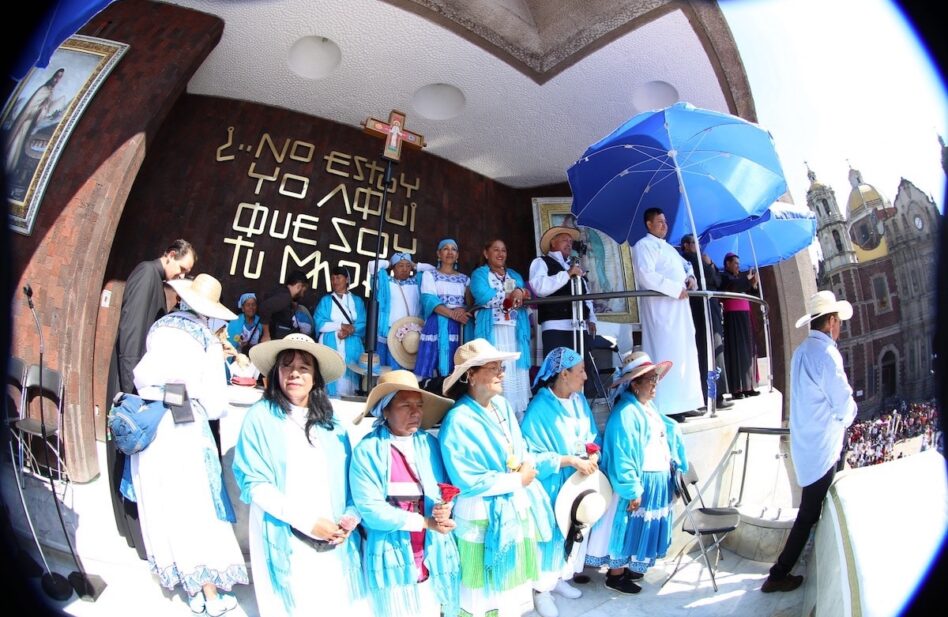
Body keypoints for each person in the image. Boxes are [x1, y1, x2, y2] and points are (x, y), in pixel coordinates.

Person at [129, 273, 248, 614]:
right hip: (184, 423)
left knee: (162, 500)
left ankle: (185, 582)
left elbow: (143, 376)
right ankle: (210, 593)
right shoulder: (206, 341)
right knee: (195, 504)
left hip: (151, 419)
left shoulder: (160, 327)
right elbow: (214, 401)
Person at [233, 333, 367, 615]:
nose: (294, 373)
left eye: (304, 367)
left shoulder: (332, 424)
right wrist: (307, 522)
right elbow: (256, 484)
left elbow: (352, 479)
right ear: (276, 372)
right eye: (286, 365)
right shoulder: (260, 418)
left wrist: (350, 519)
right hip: (287, 533)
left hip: (333, 536)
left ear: (316, 377)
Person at [437, 339, 564, 617]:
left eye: (501, 367)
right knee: (481, 593)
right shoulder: (458, 420)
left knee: (508, 592)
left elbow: (521, 448)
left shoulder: (502, 407)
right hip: (481, 512)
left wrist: (526, 464)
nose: (501, 373)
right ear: (471, 375)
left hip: (511, 508)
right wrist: (516, 480)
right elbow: (467, 480)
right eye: (493, 367)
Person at [105, 239, 196, 559]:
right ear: (169, 255)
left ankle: (133, 528)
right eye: (182, 269)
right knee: (127, 450)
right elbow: (132, 335)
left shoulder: (156, 281)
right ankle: (129, 529)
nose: (182, 276)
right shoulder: (146, 274)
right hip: (133, 381)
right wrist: (131, 390)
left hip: (140, 379)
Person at [762, 291, 857, 593]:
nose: (840, 326)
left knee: (809, 511)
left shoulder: (802, 351)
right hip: (823, 448)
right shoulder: (827, 355)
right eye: (838, 321)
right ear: (831, 322)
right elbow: (844, 407)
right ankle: (778, 574)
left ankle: (782, 570)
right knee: (808, 514)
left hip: (807, 444)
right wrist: (848, 415)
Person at [349, 370, 460, 617]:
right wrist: (426, 522)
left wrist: (445, 508)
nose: (416, 412)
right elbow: (371, 510)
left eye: (419, 405)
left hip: (432, 549)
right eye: (405, 405)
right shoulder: (368, 451)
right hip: (391, 551)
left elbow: (444, 488)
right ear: (385, 410)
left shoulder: (429, 444)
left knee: (430, 607)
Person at [585, 351, 688, 595]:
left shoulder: (646, 407)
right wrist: (632, 489)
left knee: (639, 527)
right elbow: (622, 455)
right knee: (627, 526)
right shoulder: (626, 414)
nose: (655, 385)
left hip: (655, 478)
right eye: (650, 380)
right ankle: (616, 575)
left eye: (655, 379)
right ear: (635, 384)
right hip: (640, 481)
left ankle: (631, 567)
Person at [520, 347, 601, 597]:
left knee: (573, 531)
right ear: (564, 374)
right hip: (553, 484)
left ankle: (560, 577)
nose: (585, 377)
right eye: (581, 371)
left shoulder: (578, 402)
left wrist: (593, 455)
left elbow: (592, 436)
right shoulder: (539, 409)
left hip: (578, 482)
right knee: (551, 535)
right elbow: (529, 456)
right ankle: (541, 590)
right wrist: (569, 461)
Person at [630, 208, 704, 420]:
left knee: (685, 355)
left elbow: (686, 266)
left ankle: (687, 401)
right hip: (661, 311)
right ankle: (668, 407)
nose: (664, 225)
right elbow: (646, 275)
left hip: (680, 309)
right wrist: (674, 288)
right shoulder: (643, 246)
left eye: (665, 221)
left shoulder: (670, 248)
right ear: (648, 224)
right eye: (660, 221)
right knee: (665, 354)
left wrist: (690, 278)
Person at [528, 226, 599, 398]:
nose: (569, 243)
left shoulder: (574, 266)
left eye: (570, 241)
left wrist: (592, 318)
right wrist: (567, 274)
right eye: (564, 240)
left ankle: (580, 405)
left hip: (579, 327)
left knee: (581, 370)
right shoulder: (541, 262)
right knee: (557, 372)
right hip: (556, 326)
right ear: (553, 242)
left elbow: (586, 295)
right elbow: (540, 287)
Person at [469, 238, 532, 418]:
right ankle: (495, 413)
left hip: (514, 331)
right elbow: (483, 296)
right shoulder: (480, 274)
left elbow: (523, 293)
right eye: (495, 250)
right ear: (486, 253)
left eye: (503, 250)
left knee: (514, 369)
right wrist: (513, 293)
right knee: (495, 368)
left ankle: (517, 417)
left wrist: (520, 291)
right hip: (492, 331)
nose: (500, 254)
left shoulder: (514, 274)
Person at [679, 235, 732, 410]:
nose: (698, 246)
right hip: (699, 309)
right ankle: (707, 395)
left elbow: (717, 280)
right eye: (694, 243)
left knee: (715, 351)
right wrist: (708, 265)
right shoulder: (687, 259)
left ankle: (715, 394)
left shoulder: (701, 259)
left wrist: (709, 264)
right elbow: (707, 277)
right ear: (686, 245)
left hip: (711, 307)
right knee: (704, 350)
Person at [415, 239, 471, 380]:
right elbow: (429, 300)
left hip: (460, 328)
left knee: (458, 363)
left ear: (457, 255)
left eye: (454, 249)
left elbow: (470, 303)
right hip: (437, 326)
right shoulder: (430, 275)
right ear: (438, 254)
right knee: (433, 363)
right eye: (445, 249)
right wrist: (453, 314)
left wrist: (463, 310)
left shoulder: (465, 279)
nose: (450, 252)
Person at [315, 265, 367, 397]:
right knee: (330, 377)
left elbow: (363, 323)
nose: (335, 281)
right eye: (332, 278)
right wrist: (341, 326)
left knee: (349, 380)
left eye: (338, 277)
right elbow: (319, 323)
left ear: (347, 280)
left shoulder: (357, 301)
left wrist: (351, 330)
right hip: (330, 343)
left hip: (352, 344)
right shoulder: (326, 300)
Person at [5, 67, 64, 174]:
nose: (58, 78)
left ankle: (11, 166)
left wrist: (46, 110)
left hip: (33, 120)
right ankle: (9, 164)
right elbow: (33, 106)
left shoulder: (50, 91)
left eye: (60, 77)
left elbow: (43, 108)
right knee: (18, 140)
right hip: (27, 119)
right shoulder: (44, 89)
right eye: (57, 75)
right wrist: (43, 108)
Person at [371, 253, 423, 370]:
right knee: (390, 369)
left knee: (410, 369)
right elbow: (372, 265)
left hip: (412, 334)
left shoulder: (417, 282)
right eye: (400, 265)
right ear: (393, 268)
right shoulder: (386, 282)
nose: (405, 269)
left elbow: (433, 269)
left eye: (407, 266)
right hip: (391, 332)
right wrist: (388, 263)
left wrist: (415, 265)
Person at [721, 253, 760, 399]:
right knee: (737, 352)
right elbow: (734, 287)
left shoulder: (739, 279)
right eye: (735, 263)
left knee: (748, 351)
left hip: (745, 317)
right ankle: (737, 389)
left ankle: (749, 386)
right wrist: (748, 281)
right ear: (727, 264)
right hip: (734, 318)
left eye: (739, 263)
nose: (738, 266)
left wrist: (754, 285)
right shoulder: (725, 277)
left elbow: (751, 292)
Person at [258, 269, 309, 341]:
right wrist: (266, 334)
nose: (302, 295)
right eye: (303, 291)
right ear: (299, 286)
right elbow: (265, 308)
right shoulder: (285, 297)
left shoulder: (282, 293)